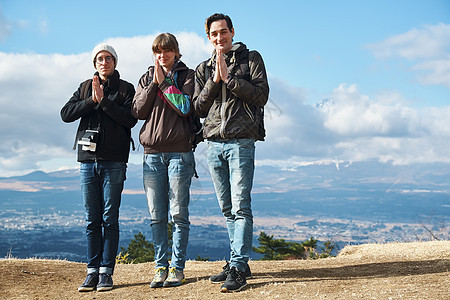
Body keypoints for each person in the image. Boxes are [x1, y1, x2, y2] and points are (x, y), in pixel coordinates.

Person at [193, 13, 269, 293]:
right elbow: (198, 108)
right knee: (227, 208)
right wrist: (215, 80)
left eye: (223, 32)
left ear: (232, 32)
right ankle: (240, 262)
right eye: (214, 34)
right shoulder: (203, 68)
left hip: (241, 141)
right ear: (208, 37)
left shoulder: (251, 59)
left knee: (240, 206)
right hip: (213, 142)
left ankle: (237, 266)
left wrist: (231, 80)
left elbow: (262, 96)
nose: (219, 38)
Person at [60, 43, 137, 292]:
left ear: (115, 62)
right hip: (87, 161)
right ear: (95, 63)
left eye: (108, 58)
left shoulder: (126, 89)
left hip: (114, 161)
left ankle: (106, 272)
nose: (104, 62)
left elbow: (130, 119)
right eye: (100, 59)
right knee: (91, 219)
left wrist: (104, 102)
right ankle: (91, 271)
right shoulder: (85, 87)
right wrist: (92, 101)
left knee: (109, 218)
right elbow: (66, 113)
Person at [132, 33, 196, 288]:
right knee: (157, 215)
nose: (163, 55)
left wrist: (166, 85)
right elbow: (137, 111)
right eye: (158, 51)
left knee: (179, 214)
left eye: (167, 50)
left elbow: (185, 107)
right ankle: (160, 266)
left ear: (175, 52)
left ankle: (177, 268)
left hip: (180, 153)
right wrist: (154, 84)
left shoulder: (187, 75)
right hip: (152, 155)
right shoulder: (147, 77)